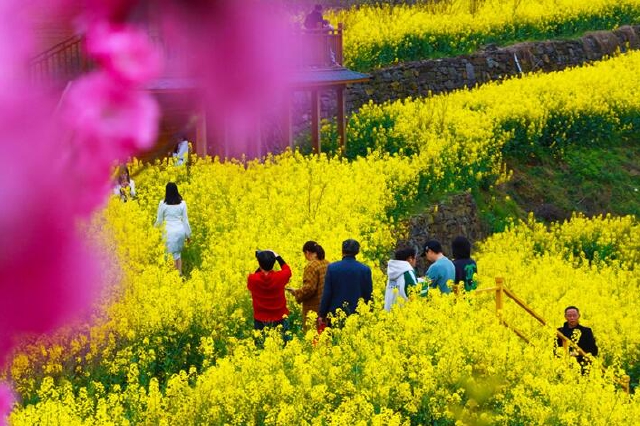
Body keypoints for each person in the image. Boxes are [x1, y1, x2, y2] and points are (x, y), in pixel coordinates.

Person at [318, 239, 373, 326]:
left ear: (342, 251)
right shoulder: (365, 270)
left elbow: (327, 293)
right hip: (357, 314)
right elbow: (368, 295)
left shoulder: (332, 268)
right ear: (357, 252)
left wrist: (322, 314)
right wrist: (370, 314)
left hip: (335, 315)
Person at [248, 250, 292, 339]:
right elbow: (287, 270)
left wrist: (261, 263)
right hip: (280, 317)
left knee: (261, 346)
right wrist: (278, 257)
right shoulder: (280, 277)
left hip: (260, 319)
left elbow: (256, 274)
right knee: (283, 345)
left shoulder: (252, 279)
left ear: (259, 264)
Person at [286, 241, 329, 331]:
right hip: (326, 306)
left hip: (314, 309)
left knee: (313, 336)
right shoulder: (326, 263)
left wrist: (296, 292)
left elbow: (309, 289)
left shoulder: (311, 266)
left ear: (307, 252)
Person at [154, 182, 192, 275]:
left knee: (169, 255)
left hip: (168, 232)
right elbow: (185, 221)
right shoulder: (183, 203)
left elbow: (159, 220)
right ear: (176, 191)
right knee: (177, 254)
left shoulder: (162, 204)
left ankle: (172, 277)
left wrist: (153, 232)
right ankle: (179, 274)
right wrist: (188, 235)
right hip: (180, 231)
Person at [384, 246, 419, 312]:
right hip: (404, 315)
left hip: (389, 315)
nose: (415, 261)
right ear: (410, 259)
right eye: (415, 258)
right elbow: (416, 294)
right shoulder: (408, 272)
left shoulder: (392, 272)